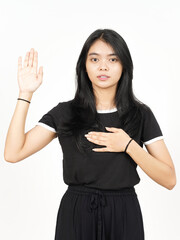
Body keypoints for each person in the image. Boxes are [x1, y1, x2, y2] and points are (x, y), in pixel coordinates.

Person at [4, 29, 176, 240]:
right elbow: (13, 153)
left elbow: (169, 179)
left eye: (113, 59)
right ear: (84, 66)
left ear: (124, 66)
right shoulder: (65, 113)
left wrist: (128, 145)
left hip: (124, 213)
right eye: (95, 59)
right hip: (76, 212)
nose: (103, 66)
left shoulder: (140, 115)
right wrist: (25, 94)